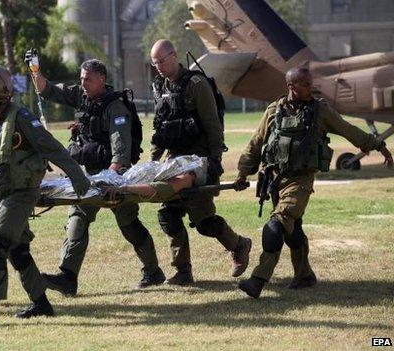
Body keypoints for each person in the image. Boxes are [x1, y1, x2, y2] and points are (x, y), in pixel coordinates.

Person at [236, 67, 393, 298]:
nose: (311, 88)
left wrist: (378, 144)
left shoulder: (320, 111)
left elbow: (348, 130)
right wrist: (242, 172)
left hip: (301, 181)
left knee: (276, 225)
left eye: (311, 84)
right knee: (292, 230)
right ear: (291, 87)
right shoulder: (273, 111)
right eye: (306, 85)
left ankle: (258, 279)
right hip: (275, 181)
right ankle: (304, 275)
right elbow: (255, 143)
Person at [0, 63, 90, 328]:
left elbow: (53, 148)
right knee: (18, 251)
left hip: (22, 193)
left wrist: (78, 178)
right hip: (3, 194)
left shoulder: (22, 117)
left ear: (2, 92)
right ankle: (41, 304)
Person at [27, 53, 165, 295]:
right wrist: (35, 69)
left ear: (101, 79)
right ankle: (67, 277)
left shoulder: (116, 107)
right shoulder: (82, 96)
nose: (83, 83)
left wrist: (109, 182)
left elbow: (120, 154)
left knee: (129, 224)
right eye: (81, 79)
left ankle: (153, 272)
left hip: (116, 177)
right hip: (88, 177)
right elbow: (45, 89)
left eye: (88, 79)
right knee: (78, 218)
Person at [148, 39, 252, 285]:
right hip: (173, 162)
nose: (159, 67)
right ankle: (183, 271)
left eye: (162, 61)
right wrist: (152, 160)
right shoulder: (160, 87)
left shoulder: (196, 84)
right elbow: (160, 128)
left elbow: (212, 125)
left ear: (174, 56)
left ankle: (239, 245)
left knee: (204, 223)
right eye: (155, 63)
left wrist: (215, 160)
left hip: (199, 163)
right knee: (169, 216)